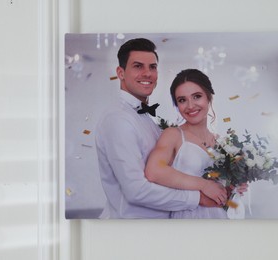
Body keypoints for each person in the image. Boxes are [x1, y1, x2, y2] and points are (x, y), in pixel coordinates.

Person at [95, 38, 226, 219]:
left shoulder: (147, 119)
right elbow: (136, 190)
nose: (147, 73)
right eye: (138, 66)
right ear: (121, 72)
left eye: (152, 67)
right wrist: (198, 196)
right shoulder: (118, 119)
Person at [145, 68, 231, 219]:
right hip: (187, 219)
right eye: (182, 100)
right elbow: (154, 171)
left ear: (209, 97)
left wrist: (235, 186)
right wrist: (203, 185)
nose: (190, 106)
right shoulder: (173, 135)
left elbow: (224, 194)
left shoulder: (221, 142)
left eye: (197, 96)